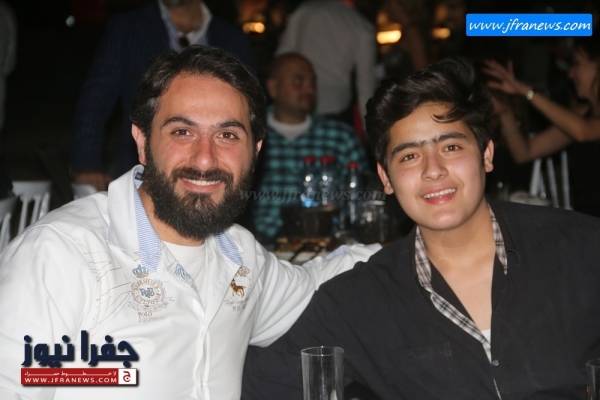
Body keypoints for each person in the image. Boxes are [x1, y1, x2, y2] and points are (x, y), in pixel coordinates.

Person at [0, 46, 377, 400]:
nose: (204, 158)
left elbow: (319, 283)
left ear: (255, 151)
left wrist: (410, 247)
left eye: (227, 135)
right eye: (182, 132)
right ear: (142, 141)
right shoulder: (60, 255)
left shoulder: (240, 258)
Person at [242, 58, 600, 399]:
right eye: (410, 156)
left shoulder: (578, 249)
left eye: (451, 147)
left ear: (487, 154)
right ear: (385, 178)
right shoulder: (362, 299)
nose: (433, 170)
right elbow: (261, 385)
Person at [71, 0, 254, 191]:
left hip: (214, 171)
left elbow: (250, 111)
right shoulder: (129, 27)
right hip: (139, 168)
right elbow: (95, 100)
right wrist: (86, 164)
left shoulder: (230, 37)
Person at [252, 53, 368, 240]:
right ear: (273, 88)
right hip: (260, 244)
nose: (309, 89)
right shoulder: (251, 134)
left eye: (312, 82)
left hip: (329, 245)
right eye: (298, 81)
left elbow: (364, 195)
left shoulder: (340, 136)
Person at [483, 38, 600, 216]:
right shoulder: (582, 115)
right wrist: (505, 113)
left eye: (577, 64)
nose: (571, 74)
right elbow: (524, 152)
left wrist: (526, 91)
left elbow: (584, 132)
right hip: (587, 220)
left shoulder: (582, 125)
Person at [276, 0, 377, 123]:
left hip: (296, 100)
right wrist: (369, 127)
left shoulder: (304, 10)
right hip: (335, 106)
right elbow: (366, 86)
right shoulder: (362, 26)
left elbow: (282, 59)